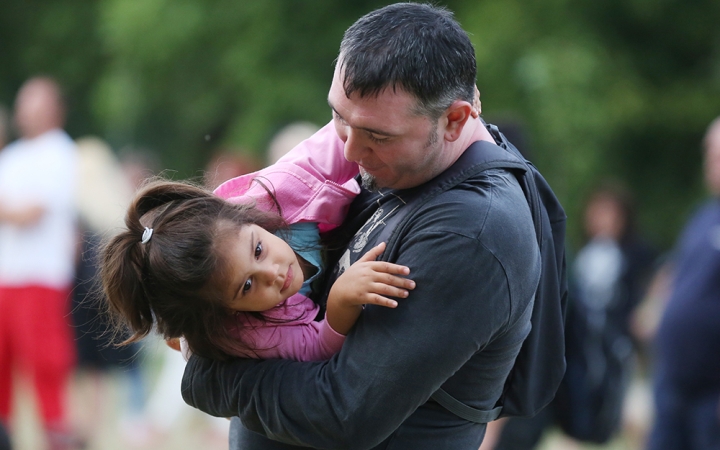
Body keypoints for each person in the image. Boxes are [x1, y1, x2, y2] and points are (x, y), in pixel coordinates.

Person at [182, 3, 542, 449]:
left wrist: (207, 376)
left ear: (454, 119)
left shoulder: (471, 229)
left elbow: (343, 412)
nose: (350, 151)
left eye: (377, 136)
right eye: (339, 118)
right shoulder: (396, 158)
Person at [99, 165, 415, 361]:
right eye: (247, 286)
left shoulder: (275, 191)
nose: (274, 274)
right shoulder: (251, 332)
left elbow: (336, 142)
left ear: (246, 217)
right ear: (228, 311)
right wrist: (341, 301)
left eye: (259, 250)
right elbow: (316, 346)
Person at [0, 77, 79, 449]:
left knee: (45, 365)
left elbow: (30, 212)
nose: (24, 110)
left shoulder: (59, 152)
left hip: (41, 276)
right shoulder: (12, 155)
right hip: (8, 275)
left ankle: (56, 436)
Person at [647, 117, 720, 450]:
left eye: (716, 153)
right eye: (709, 152)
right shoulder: (704, 216)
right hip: (674, 384)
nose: (709, 161)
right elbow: (675, 274)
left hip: (711, 393)